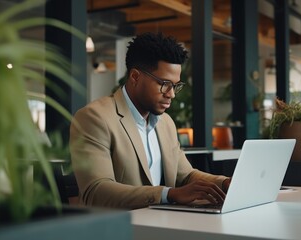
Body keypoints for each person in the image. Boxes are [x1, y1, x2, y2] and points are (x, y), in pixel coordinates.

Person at [69, 32, 230, 209]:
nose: (171, 94)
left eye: (175, 85)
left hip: (163, 224)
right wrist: (169, 194)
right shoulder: (94, 117)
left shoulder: (166, 123)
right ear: (135, 77)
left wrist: (225, 183)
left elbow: (186, 175)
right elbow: (96, 191)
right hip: (119, 229)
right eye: (164, 84)